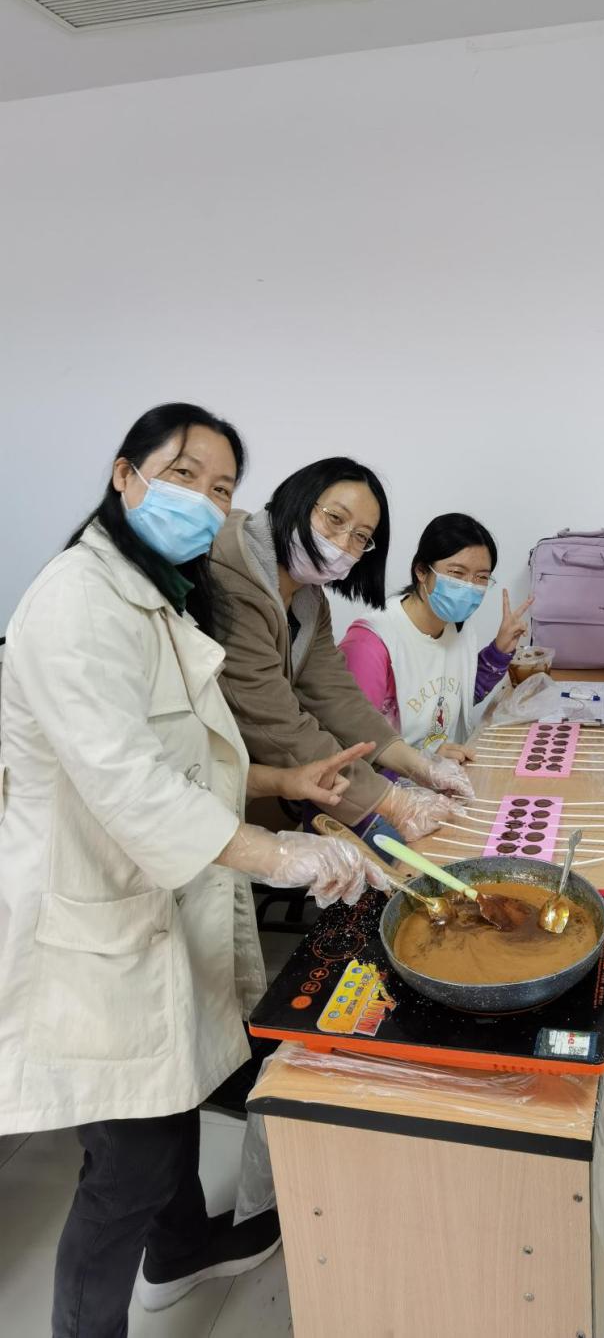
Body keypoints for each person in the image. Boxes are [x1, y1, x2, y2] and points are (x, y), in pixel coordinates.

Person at [0, 404, 390, 1338]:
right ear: (124, 472)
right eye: (184, 475)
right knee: (125, 1167)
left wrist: (285, 783)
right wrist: (282, 852)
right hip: (91, 916)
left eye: (221, 488)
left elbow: (186, 757)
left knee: (169, 1102)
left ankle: (178, 1251)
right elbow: (130, 785)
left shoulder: (161, 595)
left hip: (157, 894)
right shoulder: (75, 600)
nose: (204, 502)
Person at [210, 458, 472, 844]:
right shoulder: (233, 579)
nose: (342, 544)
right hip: (204, 776)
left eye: (361, 537)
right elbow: (274, 721)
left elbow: (335, 694)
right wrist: (393, 802)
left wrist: (418, 765)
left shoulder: (309, 597)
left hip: (261, 780)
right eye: (335, 519)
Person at [340, 513, 531, 759]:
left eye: (481, 577)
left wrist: (499, 650)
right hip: (394, 779)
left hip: (448, 773)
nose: (469, 586)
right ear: (421, 571)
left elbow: (457, 699)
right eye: (457, 573)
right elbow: (354, 750)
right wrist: (425, 760)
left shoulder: (458, 628)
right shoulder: (371, 643)